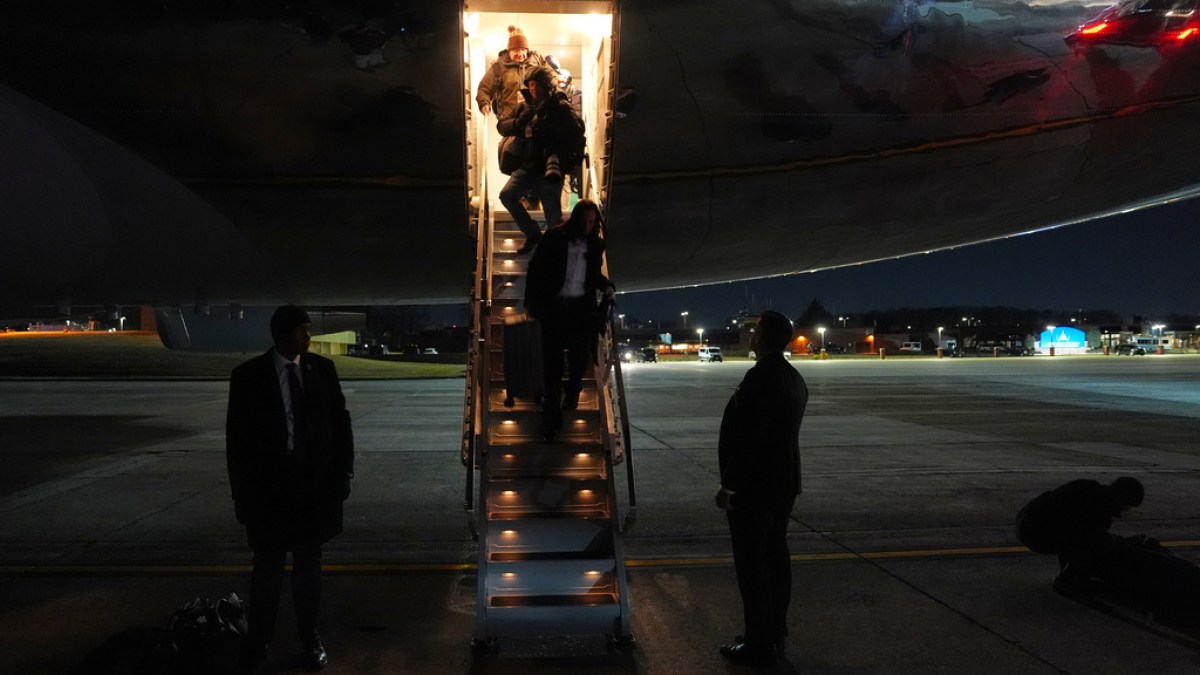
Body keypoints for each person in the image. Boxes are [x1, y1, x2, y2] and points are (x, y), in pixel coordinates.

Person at [226, 305, 355, 673]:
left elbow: (340, 423)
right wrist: (241, 494)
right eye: (302, 331)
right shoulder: (248, 377)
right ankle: (259, 642)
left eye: (309, 330)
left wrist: (343, 474)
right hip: (269, 492)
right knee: (267, 569)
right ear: (281, 335)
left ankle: (309, 636)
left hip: (312, 490)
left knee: (308, 568)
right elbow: (237, 441)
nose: (309, 337)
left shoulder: (321, 371)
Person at [715, 310, 808, 668]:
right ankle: (773, 632)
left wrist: (729, 485)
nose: (750, 334)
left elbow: (749, 440)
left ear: (761, 337)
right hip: (784, 484)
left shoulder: (760, 378)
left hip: (755, 489)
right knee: (776, 560)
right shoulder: (793, 377)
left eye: (754, 330)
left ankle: (757, 644)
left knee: (752, 567)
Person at [524, 199, 615, 441]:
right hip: (555, 310)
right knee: (552, 367)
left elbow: (594, 276)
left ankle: (573, 389)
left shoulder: (595, 245)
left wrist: (607, 286)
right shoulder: (555, 237)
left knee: (579, 359)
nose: (587, 226)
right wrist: (532, 303)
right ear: (575, 219)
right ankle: (551, 421)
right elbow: (535, 268)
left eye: (591, 222)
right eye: (584, 221)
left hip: (580, 311)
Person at [498, 66, 585, 253]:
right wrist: (519, 122)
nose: (533, 89)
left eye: (537, 85)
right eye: (530, 85)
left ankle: (556, 250)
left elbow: (578, 130)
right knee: (507, 196)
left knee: (553, 217)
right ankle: (533, 234)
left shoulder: (559, 106)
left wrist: (553, 134)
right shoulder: (524, 107)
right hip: (527, 167)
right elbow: (502, 127)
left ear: (546, 86)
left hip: (548, 171)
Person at [1015, 476, 1144, 594]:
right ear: (1123, 500)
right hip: (1034, 532)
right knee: (1097, 542)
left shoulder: (1089, 487)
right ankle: (1068, 579)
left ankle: (1068, 574)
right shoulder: (1101, 512)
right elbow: (1083, 538)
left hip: (1025, 522)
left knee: (1080, 535)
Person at [475, 25, 545, 121]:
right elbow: (484, 88)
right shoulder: (498, 67)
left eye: (523, 50)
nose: (520, 54)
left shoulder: (538, 62)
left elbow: (553, 78)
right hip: (511, 121)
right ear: (509, 51)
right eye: (516, 50)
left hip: (536, 120)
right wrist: (484, 103)